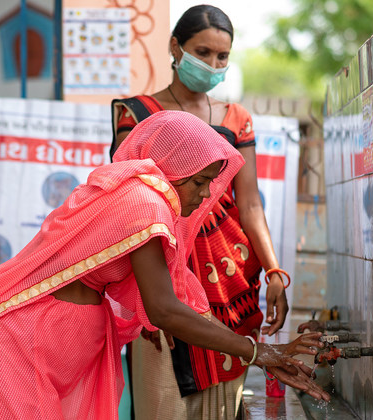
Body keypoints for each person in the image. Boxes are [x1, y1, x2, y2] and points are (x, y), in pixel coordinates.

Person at [0, 111, 329, 419]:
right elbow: (164, 309)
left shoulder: (144, 200)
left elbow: (172, 304)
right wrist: (258, 353)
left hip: (41, 349)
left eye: (212, 182)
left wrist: (264, 354)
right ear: (171, 169)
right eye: (199, 181)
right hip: (14, 345)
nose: (206, 194)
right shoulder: (143, 204)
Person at [110, 5, 291, 419]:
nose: (212, 63)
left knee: (229, 399)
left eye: (222, 56)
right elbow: (130, 210)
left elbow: (249, 203)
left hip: (230, 282)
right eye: (203, 51)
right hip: (162, 279)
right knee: (164, 398)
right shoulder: (137, 114)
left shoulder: (235, 118)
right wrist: (146, 302)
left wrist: (274, 271)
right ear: (176, 47)